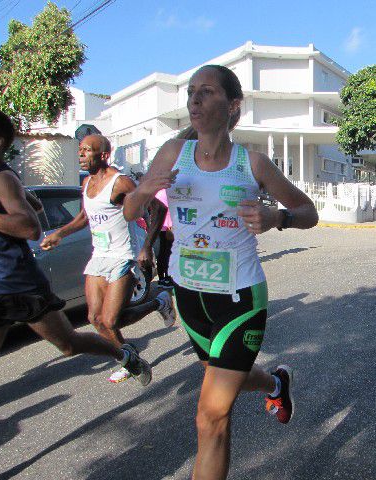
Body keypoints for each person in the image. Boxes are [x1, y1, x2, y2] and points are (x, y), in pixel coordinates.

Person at [122, 65, 318, 480]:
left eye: (206, 92)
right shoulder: (172, 154)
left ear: (232, 106)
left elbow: (308, 212)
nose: (194, 99)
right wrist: (142, 190)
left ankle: (272, 385)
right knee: (224, 379)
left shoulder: (253, 164)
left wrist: (275, 218)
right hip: (188, 297)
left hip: (239, 300)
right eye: (191, 91)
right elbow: (129, 212)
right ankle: (275, 384)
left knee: (210, 417)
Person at [0, 106, 152, 479]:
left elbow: (27, 227)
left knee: (71, 344)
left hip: (21, 287)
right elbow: (32, 210)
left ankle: (124, 354)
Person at [40, 134, 175, 383]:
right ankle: (130, 357)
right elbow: (84, 216)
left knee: (111, 319)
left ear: (103, 155)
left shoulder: (120, 182)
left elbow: (157, 208)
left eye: (86, 150)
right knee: (95, 319)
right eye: (79, 150)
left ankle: (159, 304)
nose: (80, 155)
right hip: (99, 256)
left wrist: (146, 246)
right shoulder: (87, 183)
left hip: (122, 256)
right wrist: (60, 233)